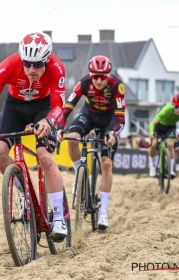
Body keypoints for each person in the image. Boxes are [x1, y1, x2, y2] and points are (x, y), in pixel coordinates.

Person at [0, 32, 67, 241]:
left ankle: (59, 216)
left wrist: (48, 121)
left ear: (48, 59)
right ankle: (24, 193)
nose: (32, 70)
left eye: (38, 64)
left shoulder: (57, 68)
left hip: (44, 108)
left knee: (45, 157)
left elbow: (60, 106)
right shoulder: (6, 66)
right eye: (27, 63)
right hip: (14, 107)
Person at [56, 55, 126, 230]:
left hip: (109, 121)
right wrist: (60, 126)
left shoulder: (117, 85)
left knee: (106, 165)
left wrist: (113, 133)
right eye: (96, 76)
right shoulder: (84, 82)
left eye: (103, 77)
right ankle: (81, 174)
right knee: (71, 138)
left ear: (108, 75)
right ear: (90, 74)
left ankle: (103, 212)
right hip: (89, 114)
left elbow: (120, 118)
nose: (99, 80)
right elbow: (69, 106)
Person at [148, 93, 179, 178]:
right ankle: (152, 166)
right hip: (159, 126)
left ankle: (171, 170)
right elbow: (153, 122)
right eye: (176, 107)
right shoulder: (166, 109)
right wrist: (151, 132)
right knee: (153, 145)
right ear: (173, 105)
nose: (178, 110)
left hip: (171, 127)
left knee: (170, 145)